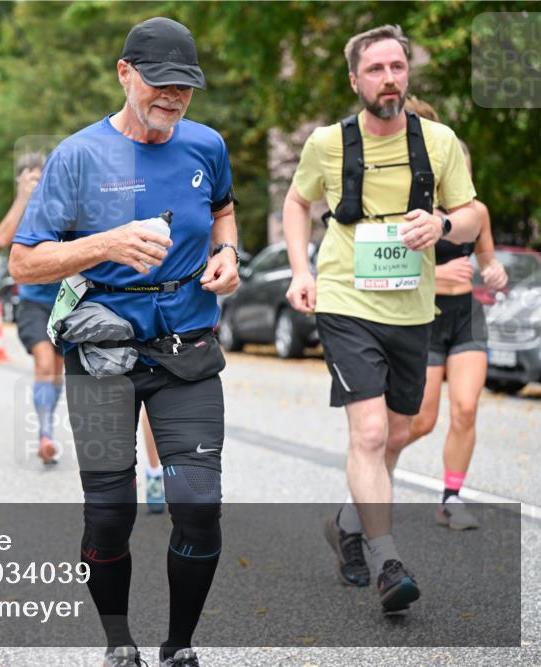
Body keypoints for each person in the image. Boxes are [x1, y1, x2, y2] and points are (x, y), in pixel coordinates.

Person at [10, 17, 239, 667]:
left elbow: (223, 209)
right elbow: (25, 261)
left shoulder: (206, 146)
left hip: (187, 349)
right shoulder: (78, 156)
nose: (172, 97)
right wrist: (105, 244)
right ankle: (119, 643)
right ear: (124, 73)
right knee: (109, 515)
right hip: (102, 355)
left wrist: (228, 252)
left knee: (199, 505)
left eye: (184, 86)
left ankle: (179, 647)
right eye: (159, 83)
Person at [282, 25, 480, 613]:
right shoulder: (327, 143)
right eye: (375, 69)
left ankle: (348, 524)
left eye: (397, 67)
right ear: (355, 80)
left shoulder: (439, 142)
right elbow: (297, 201)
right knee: (369, 433)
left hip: (412, 307)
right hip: (346, 301)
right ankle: (387, 561)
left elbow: (472, 213)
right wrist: (300, 270)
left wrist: (442, 224)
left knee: (397, 433)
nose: (389, 78)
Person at [398, 96, 507, 530]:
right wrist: (438, 273)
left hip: (467, 317)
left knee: (465, 409)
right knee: (423, 420)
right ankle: (371, 463)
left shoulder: (476, 213)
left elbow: (488, 261)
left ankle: (451, 498)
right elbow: (394, 269)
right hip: (426, 317)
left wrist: (494, 272)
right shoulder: (416, 212)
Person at [0, 152, 66, 463]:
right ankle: (45, 435)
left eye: (41, 176)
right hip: (33, 302)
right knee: (44, 363)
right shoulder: (23, 211)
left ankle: (47, 431)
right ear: (20, 181)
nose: (38, 182)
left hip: (64, 303)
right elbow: (1, 239)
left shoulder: (60, 205)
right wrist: (23, 197)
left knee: (58, 371)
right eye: (31, 177)